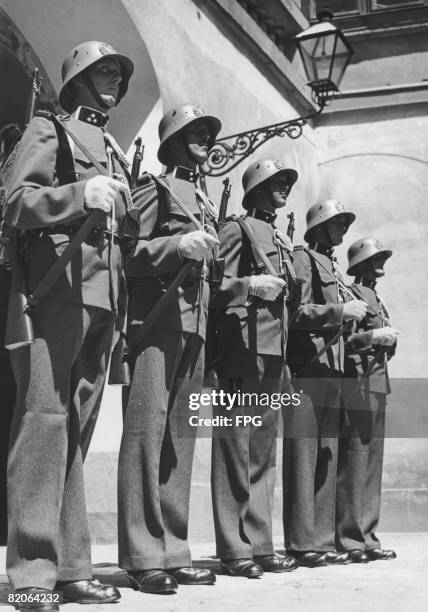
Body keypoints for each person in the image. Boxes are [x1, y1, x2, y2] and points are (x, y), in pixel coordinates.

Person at [3, 40, 134, 611]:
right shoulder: (46, 128)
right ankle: (31, 571)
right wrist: (82, 193)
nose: (115, 81)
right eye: (104, 71)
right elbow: (16, 202)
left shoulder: (109, 147)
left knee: (76, 432)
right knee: (44, 424)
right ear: (76, 78)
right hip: (54, 293)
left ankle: (73, 567)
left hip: (102, 300)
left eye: (120, 74)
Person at [118, 103, 221, 594]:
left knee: (180, 441)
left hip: (194, 328)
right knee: (146, 434)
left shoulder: (203, 201)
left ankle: (174, 551)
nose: (205, 137)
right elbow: (125, 255)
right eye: (195, 130)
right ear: (174, 139)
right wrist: (175, 248)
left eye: (208, 130)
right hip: (155, 325)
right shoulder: (154, 189)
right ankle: (142, 556)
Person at [211, 158, 299, 578]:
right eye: (276, 181)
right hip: (240, 352)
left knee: (263, 454)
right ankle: (234, 548)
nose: (285, 187)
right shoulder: (236, 228)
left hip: (273, 354)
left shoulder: (280, 240)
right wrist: (250, 287)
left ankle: (261, 544)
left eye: (287, 181)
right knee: (235, 449)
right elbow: (213, 287)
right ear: (256, 188)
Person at [283, 199, 368, 567]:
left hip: (331, 370)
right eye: (337, 222)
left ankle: (320, 540)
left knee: (326, 456)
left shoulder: (330, 264)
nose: (343, 229)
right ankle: (301, 543)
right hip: (308, 368)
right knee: (304, 457)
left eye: (346, 223)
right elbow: (296, 312)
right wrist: (339, 311)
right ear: (318, 225)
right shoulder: (303, 257)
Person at [336, 237, 399, 562]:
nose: (381, 264)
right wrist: (373, 336)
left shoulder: (376, 296)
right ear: (360, 263)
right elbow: (343, 342)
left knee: (372, 463)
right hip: (357, 385)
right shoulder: (350, 293)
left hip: (377, 386)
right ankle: (349, 538)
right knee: (355, 463)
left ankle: (368, 536)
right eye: (376, 258)